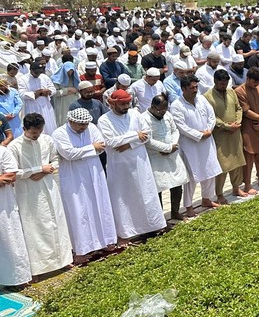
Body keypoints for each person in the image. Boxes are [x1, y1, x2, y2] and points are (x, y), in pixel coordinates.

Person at [98, 90, 167, 241]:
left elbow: (147, 134)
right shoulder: (104, 120)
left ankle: (153, 225)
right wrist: (135, 136)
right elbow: (111, 142)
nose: (126, 106)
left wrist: (129, 145)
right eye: (122, 104)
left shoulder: (135, 114)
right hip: (120, 166)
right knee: (124, 198)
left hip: (139, 161)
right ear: (112, 103)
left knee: (146, 192)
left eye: (127, 103)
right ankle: (127, 232)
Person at [9, 113, 72, 278]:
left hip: (49, 187)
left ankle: (62, 261)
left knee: (56, 222)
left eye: (39, 131)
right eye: (33, 133)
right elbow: (14, 173)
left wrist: (45, 171)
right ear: (24, 129)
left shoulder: (47, 140)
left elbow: (56, 160)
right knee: (34, 228)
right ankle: (38, 269)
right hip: (29, 193)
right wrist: (37, 170)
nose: (36, 135)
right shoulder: (15, 147)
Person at [52, 108, 116, 263]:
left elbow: (101, 148)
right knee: (78, 210)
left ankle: (105, 240)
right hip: (73, 177)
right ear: (71, 122)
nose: (83, 127)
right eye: (80, 125)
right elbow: (69, 154)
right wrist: (91, 148)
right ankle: (81, 249)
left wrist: (87, 150)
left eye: (85, 124)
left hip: (94, 173)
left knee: (100, 204)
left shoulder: (92, 128)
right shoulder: (59, 133)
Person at [171, 75, 222, 210]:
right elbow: (181, 126)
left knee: (210, 171)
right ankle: (188, 206)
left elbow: (211, 116)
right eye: (192, 88)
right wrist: (199, 135)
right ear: (183, 89)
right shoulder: (177, 105)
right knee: (192, 177)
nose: (195, 90)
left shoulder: (202, 99)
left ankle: (207, 199)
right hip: (190, 145)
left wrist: (209, 130)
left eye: (196, 87)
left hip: (207, 141)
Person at [142, 95, 191, 220]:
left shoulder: (167, 115)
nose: (163, 112)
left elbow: (175, 131)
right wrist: (165, 148)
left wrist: (172, 145)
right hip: (156, 157)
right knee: (158, 188)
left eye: (165, 109)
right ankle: (160, 218)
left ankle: (175, 211)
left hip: (172, 154)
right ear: (153, 107)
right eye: (160, 110)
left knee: (177, 184)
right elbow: (148, 140)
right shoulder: (144, 118)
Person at [204, 69, 247, 201]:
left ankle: (236, 187)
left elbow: (238, 108)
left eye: (225, 83)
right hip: (220, 134)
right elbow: (211, 117)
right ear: (215, 81)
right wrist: (226, 126)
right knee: (222, 165)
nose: (223, 86)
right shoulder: (207, 97)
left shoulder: (231, 91)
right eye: (221, 83)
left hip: (235, 132)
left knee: (237, 161)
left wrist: (237, 122)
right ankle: (219, 194)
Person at [236, 68, 259, 191]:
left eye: (258, 82)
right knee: (249, 156)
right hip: (249, 128)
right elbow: (246, 111)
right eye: (254, 82)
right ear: (247, 79)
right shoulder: (240, 91)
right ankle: (247, 184)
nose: (256, 85)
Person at [0, 139, 28, 286]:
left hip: (3, 204)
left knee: (8, 237)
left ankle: (17, 278)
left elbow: (11, 176)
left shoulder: (3, 152)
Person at [18, 62, 57, 135]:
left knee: (49, 126)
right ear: (31, 70)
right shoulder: (23, 79)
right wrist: (37, 93)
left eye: (39, 72)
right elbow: (22, 94)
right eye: (36, 72)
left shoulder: (44, 77)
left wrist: (48, 92)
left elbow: (53, 89)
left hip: (46, 106)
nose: (38, 74)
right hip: (32, 107)